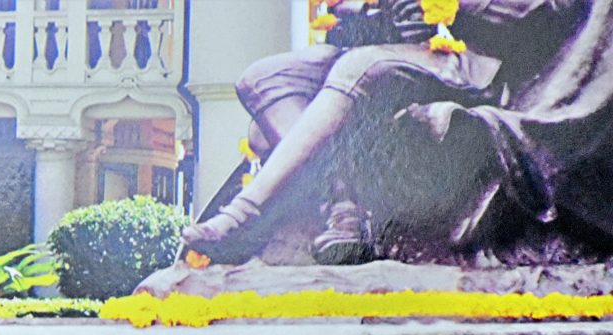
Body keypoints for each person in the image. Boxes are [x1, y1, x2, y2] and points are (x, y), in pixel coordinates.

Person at [183, 0, 596, 266]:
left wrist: (452, 6)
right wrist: (369, 12)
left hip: (479, 64)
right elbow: (363, 27)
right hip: (400, 53)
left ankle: (243, 216)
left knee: (359, 67)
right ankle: (342, 207)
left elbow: (548, 13)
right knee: (264, 77)